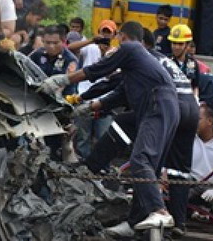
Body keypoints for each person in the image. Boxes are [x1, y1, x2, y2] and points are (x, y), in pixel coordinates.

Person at [37, 21, 180, 231]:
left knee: (140, 159)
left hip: (157, 106)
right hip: (166, 108)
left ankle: (159, 211)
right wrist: (84, 106)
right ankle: (135, 223)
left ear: (122, 36)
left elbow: (98, 70)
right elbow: (116, 94)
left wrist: (63, 80)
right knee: (148, 168)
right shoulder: (136, 68)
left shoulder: (131, 49)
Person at [74, 19, 118, 158]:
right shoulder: (90, 48)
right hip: (85, 96)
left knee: (104, 137)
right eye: (103, 32)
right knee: (83, 137)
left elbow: (116, 76)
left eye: (108, 33)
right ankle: (83, 164)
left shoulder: (117, 53)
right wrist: (92, 41)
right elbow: (70, 48)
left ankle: (99, 167)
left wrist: (107, 58)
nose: (105, 36)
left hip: (105, 101)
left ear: (114, 35)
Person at [29, 25, 78, 95]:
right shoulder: (37, 54)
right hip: (36, 94)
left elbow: (67, 86)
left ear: (63, 41)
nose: (51, 46)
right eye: (48, 43)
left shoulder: (70, 60)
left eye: (55, 43)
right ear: (43, 41)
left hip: (62, 98)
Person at [169, 24, 201, 93]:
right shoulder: (166, 62)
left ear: (188, 45)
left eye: (180, 44)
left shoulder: (193, 63)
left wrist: (195, 99)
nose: (176, 47)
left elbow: (195, 86)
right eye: (174, 43)